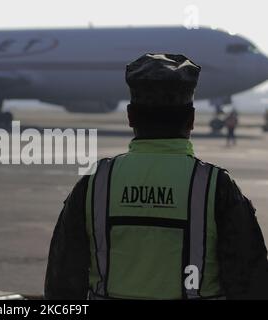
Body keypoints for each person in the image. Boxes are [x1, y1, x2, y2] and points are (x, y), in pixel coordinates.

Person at [44, 53, 268, 300]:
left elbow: (62, 283)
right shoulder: (216, 187)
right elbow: (250, 283)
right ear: (191, 120)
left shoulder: (94, 183)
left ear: (130, 116)